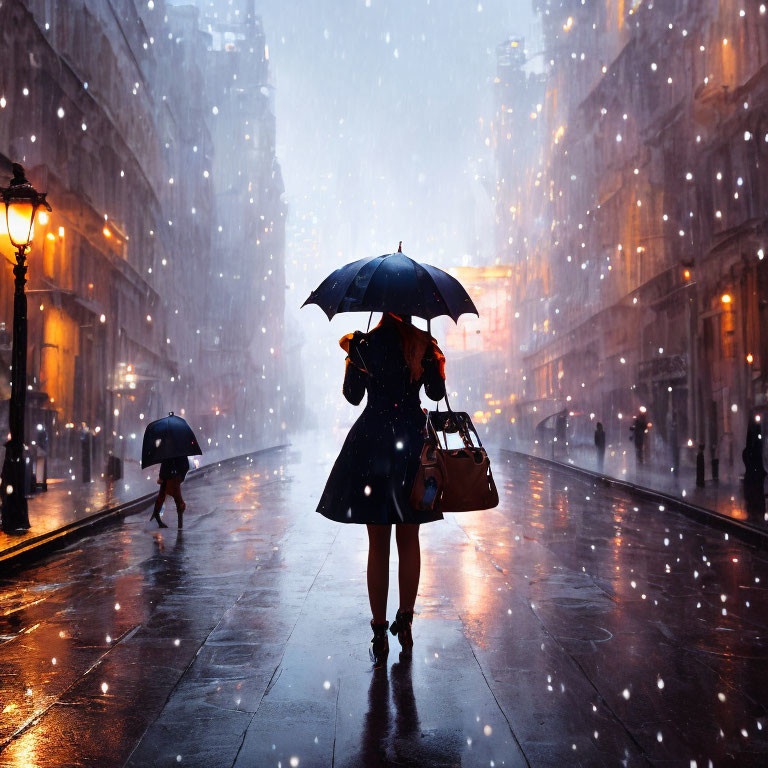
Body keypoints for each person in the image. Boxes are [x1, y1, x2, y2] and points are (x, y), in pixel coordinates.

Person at [317, 312, 447, 667]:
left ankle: (378, 630)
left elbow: (352, 397)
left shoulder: (363, 345)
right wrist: (433, 361)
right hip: (411, 444)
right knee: (410, 540)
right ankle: (405, 621)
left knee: (378, 545)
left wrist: (355, 361)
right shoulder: (423, 345)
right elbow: (436, 393)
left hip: (373, 445)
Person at [150, 455, 189, 529]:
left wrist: (162, 477)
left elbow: (185, 465)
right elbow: (185, 465)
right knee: (178, 501)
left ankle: (156, 516)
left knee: (164, 497)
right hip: (171, 477)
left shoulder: (170, 450)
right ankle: (180, 527)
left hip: (171, 476)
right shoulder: (175, 450)